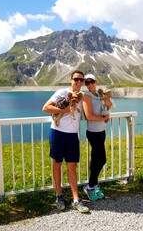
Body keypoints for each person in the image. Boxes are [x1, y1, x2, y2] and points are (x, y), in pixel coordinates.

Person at [42, 70, 89, 213]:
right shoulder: (62, 92)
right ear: (71, 80)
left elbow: (89, 112)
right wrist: (66, 110)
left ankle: (76, 199)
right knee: (57, 164)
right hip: (57, 133)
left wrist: (105, 110)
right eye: (76, 79)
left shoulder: (82, 97)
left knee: (72, 166)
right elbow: (46, 108)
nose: (79, 82)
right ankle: (59, 196)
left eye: (82, 80)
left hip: (72, 135)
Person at [82, 73, 112, 201]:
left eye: (91, 81)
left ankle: (92, 185)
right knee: (100, 159)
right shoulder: (86, 96)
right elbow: (89, 116)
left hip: (101, 131)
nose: (89, 84)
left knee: (97, 159)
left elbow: (109, 105)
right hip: (93, 132)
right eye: (87, 83)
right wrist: (103, 118)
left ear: (95, 81)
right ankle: (90, 186)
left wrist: (106, 98)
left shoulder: (99, 94)